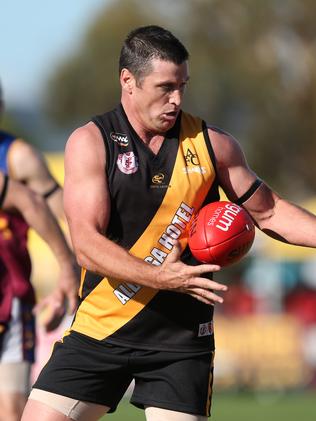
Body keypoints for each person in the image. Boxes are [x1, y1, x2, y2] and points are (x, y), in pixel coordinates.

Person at [22, 25, 316, 421]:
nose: (176, 100)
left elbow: (270, 211)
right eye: (165, 87)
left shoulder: (215, 145)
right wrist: (161, 277)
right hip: (101, 330)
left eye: (183, 86)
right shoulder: (92, 142)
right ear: (128, 81)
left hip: (180, 342)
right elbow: (86, 244)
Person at [0, 84, 78, 421]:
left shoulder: (17, 157)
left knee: (12, 410)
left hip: (8, 298)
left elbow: (63, 214)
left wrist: (70, 270)